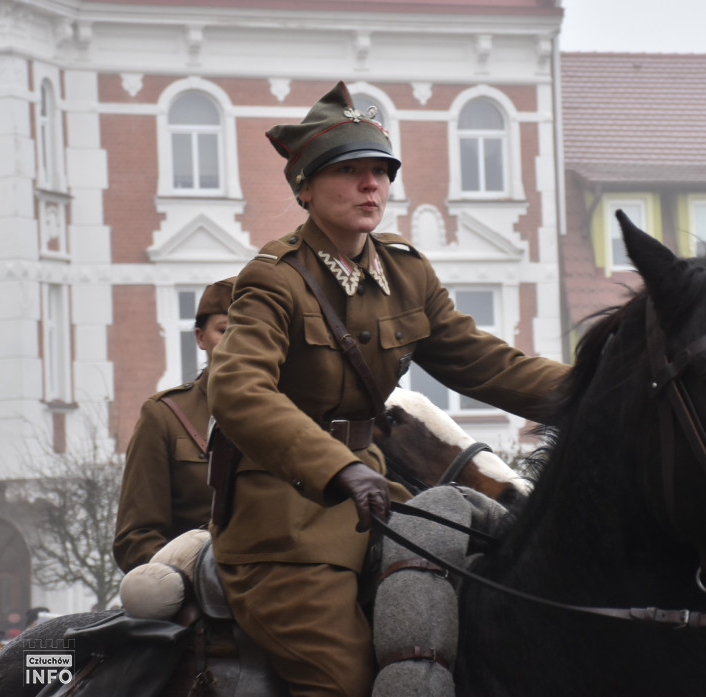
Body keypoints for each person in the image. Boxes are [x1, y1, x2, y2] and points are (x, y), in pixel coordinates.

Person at [207, 80, 570, 697]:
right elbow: (239, 390)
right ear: (304, 188)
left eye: (380, 170)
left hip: (379, 500)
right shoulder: (273, 280)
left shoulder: (405, 271)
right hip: (286, 520)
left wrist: (609, 386)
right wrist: (337, 468)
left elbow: (488, 366)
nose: (370, 185)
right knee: (347, 684)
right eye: (349, 171)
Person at [113, 277, 235, 573]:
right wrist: (193, 575)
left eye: (250, 330)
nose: (237, 340)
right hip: (202, 588)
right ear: (200, 337)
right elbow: (135, 539)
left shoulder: (299, 413)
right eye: (223, 330)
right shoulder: (165, 415)